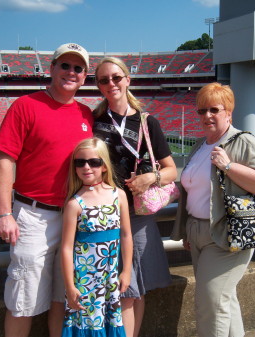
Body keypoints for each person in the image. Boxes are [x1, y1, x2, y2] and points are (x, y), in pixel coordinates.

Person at [0, 43, 93, 337]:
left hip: (75, 216)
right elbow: (5, 161)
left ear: (84, 76)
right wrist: (4, 213)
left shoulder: (86, 114)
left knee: (64, 298)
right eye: (65, 65)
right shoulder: (26, 105)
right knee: (23, 299)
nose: (70, 72)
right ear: (51, 68)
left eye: (78, 68)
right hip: (33, 217)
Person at [171, 82, 255, 337]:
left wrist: (228, 166)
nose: (207, 116)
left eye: (214, 110)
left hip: (229, 234)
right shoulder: (199, 146)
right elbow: (194, 188)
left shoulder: (244, 142)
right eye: (201, 110)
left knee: (211, 304)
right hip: (198, 232)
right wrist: (188, 228)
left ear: (228, 112)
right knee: (223, 301)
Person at [93, 57, 177, 337]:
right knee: (111, 290)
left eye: (116, 77)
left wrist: (148, 178)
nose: (111, 84)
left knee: (131, 290)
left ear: (127, 80)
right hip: (102, 215)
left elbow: (171, 171)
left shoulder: (146, 122)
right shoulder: (93, 120)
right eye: (104, 80)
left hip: (136, 216)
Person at [61, 137, 133, 336]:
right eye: (80, 162)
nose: (86, 167)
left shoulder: (119, 195)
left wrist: (126, 271)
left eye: (93, 162)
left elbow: (126, 235)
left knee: (110, 322)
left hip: (110, 276)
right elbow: (67, 248)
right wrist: (70, 285)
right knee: (89, 324)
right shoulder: (74, 204)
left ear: (104, 166)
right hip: (85, 279)